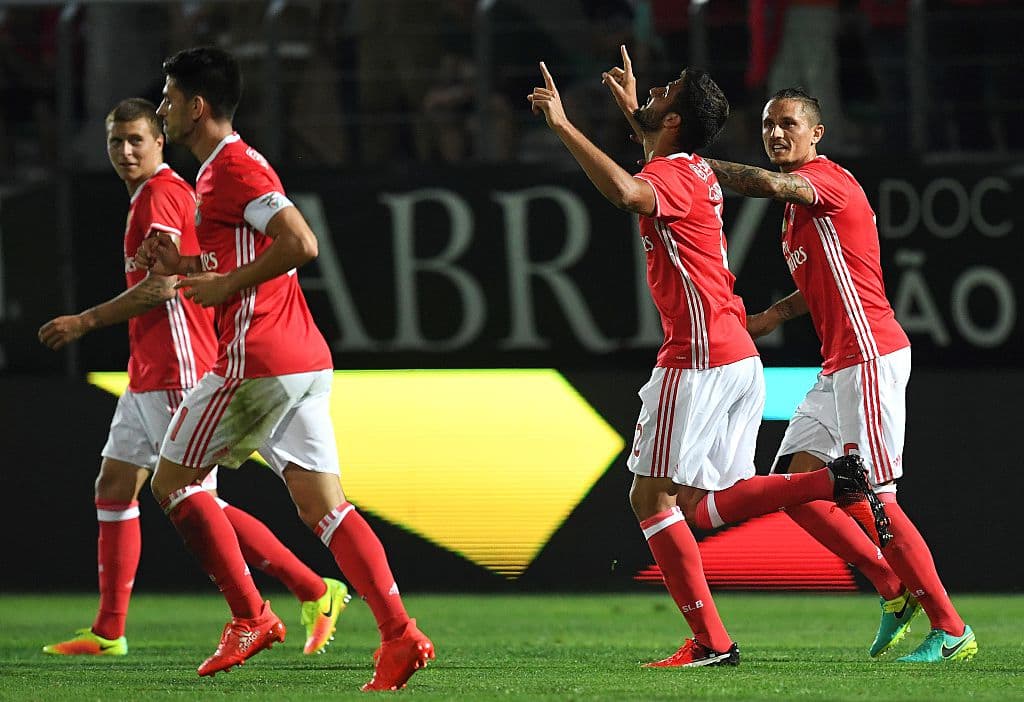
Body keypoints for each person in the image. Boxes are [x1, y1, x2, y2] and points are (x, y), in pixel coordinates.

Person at [528, 46, 887, 668]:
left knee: (650, 500)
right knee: (701, 505)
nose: (655, 90)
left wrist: (563, 125)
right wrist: (641, 119)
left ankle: (715, 637)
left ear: (673, 122)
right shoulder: (691, 167)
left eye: (665, 91)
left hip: (695, 358)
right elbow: (655, 173)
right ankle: (817, 497)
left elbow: (627, 193)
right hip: (736, 354)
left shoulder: (667, 176)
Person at [135, 47, 433, 689]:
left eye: (167, 100)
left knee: (172, 483)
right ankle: (400, 634)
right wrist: (185, 267)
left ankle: (252, 616)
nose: (163, 110)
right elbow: (243, 260)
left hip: (256, 362)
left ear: (197, 106)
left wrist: (223, 283)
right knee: (326, 508)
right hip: (301, 360)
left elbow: (302, 243)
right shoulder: (223, 173)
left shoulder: (232, 168)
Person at [37, 98, 350, 658]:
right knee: (114, 486)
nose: (125, 151)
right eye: (115, 142)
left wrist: (84, 321)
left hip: (179, 365)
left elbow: (161, 286)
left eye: (136, 139)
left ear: (160, 139)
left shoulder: (161, 193)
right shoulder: (152, 194)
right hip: (147, 370)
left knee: (191, 498)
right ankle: (110, 631)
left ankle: (307, 589)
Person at [706, 87, 977, 663]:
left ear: (816, 134)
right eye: (768, 126)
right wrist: (775, 315)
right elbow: (827, 277)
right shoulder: (794, 217)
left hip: (871, 356)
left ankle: (951, 629)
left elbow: (775, 183)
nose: (776, 135)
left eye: (787, 125)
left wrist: (693, 166)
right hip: (837, 366)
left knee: (876, 498)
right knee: (794, 484)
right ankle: (892, 587)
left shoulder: (827, 180)